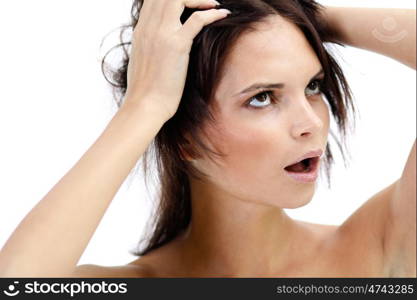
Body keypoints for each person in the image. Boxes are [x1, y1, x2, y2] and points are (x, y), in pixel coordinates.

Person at [0, 0, 415, 278]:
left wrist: (300, 12)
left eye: (312, 86)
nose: (311, 123)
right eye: (263, 97)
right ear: (184, 139)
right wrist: (143, 106)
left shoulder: (377, 249)